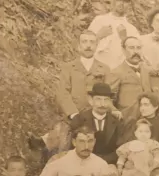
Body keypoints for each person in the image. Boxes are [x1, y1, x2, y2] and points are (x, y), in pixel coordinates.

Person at [29, 30, 119, 161]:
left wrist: (113, 110)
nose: (88, 45)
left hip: (95, 116)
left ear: (96, 46)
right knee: (64, 137)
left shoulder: (104, 68)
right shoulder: (69, 67)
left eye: (92, 42)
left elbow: (107, 95)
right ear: (78, 46)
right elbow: (62, 93)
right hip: (75, 114)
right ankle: (50, 158)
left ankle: (44, 142)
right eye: (85, 42)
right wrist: (72, 113)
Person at [69, 83, 123, 164]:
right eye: (98, 99)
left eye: (106, 100)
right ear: (91, 101)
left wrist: (102, 162)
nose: (102, 104)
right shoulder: (79, 120)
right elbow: (73, 147)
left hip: (108, 164)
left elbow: (120, 149)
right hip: (82, 163)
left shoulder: (117, 122)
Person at [120, 93, 159, 169]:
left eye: (146, 105)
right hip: (133, 165)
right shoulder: (133, 124)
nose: (142, 108)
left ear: (156, 107)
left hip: (156, 165)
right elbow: (126, 148)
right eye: (141, 105)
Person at [88, 0, 139, 71]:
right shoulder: (99, 20)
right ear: (113, 1)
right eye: (119, 0)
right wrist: (99, 35)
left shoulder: (132, 30)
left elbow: (135, 57)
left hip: (119, 74)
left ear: (129, 4)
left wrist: (124, 39)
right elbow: (85, 47)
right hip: (97, 70)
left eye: (125, 1)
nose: (121, 4)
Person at [109, 36, 153, 117]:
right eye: (131, 48)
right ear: (123, 50)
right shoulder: (116, 72)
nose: (136, 51)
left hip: (146, 119)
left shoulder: (146, 70)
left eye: (138, 48)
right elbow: (108, 99)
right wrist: (115, 112)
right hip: (127, 119)